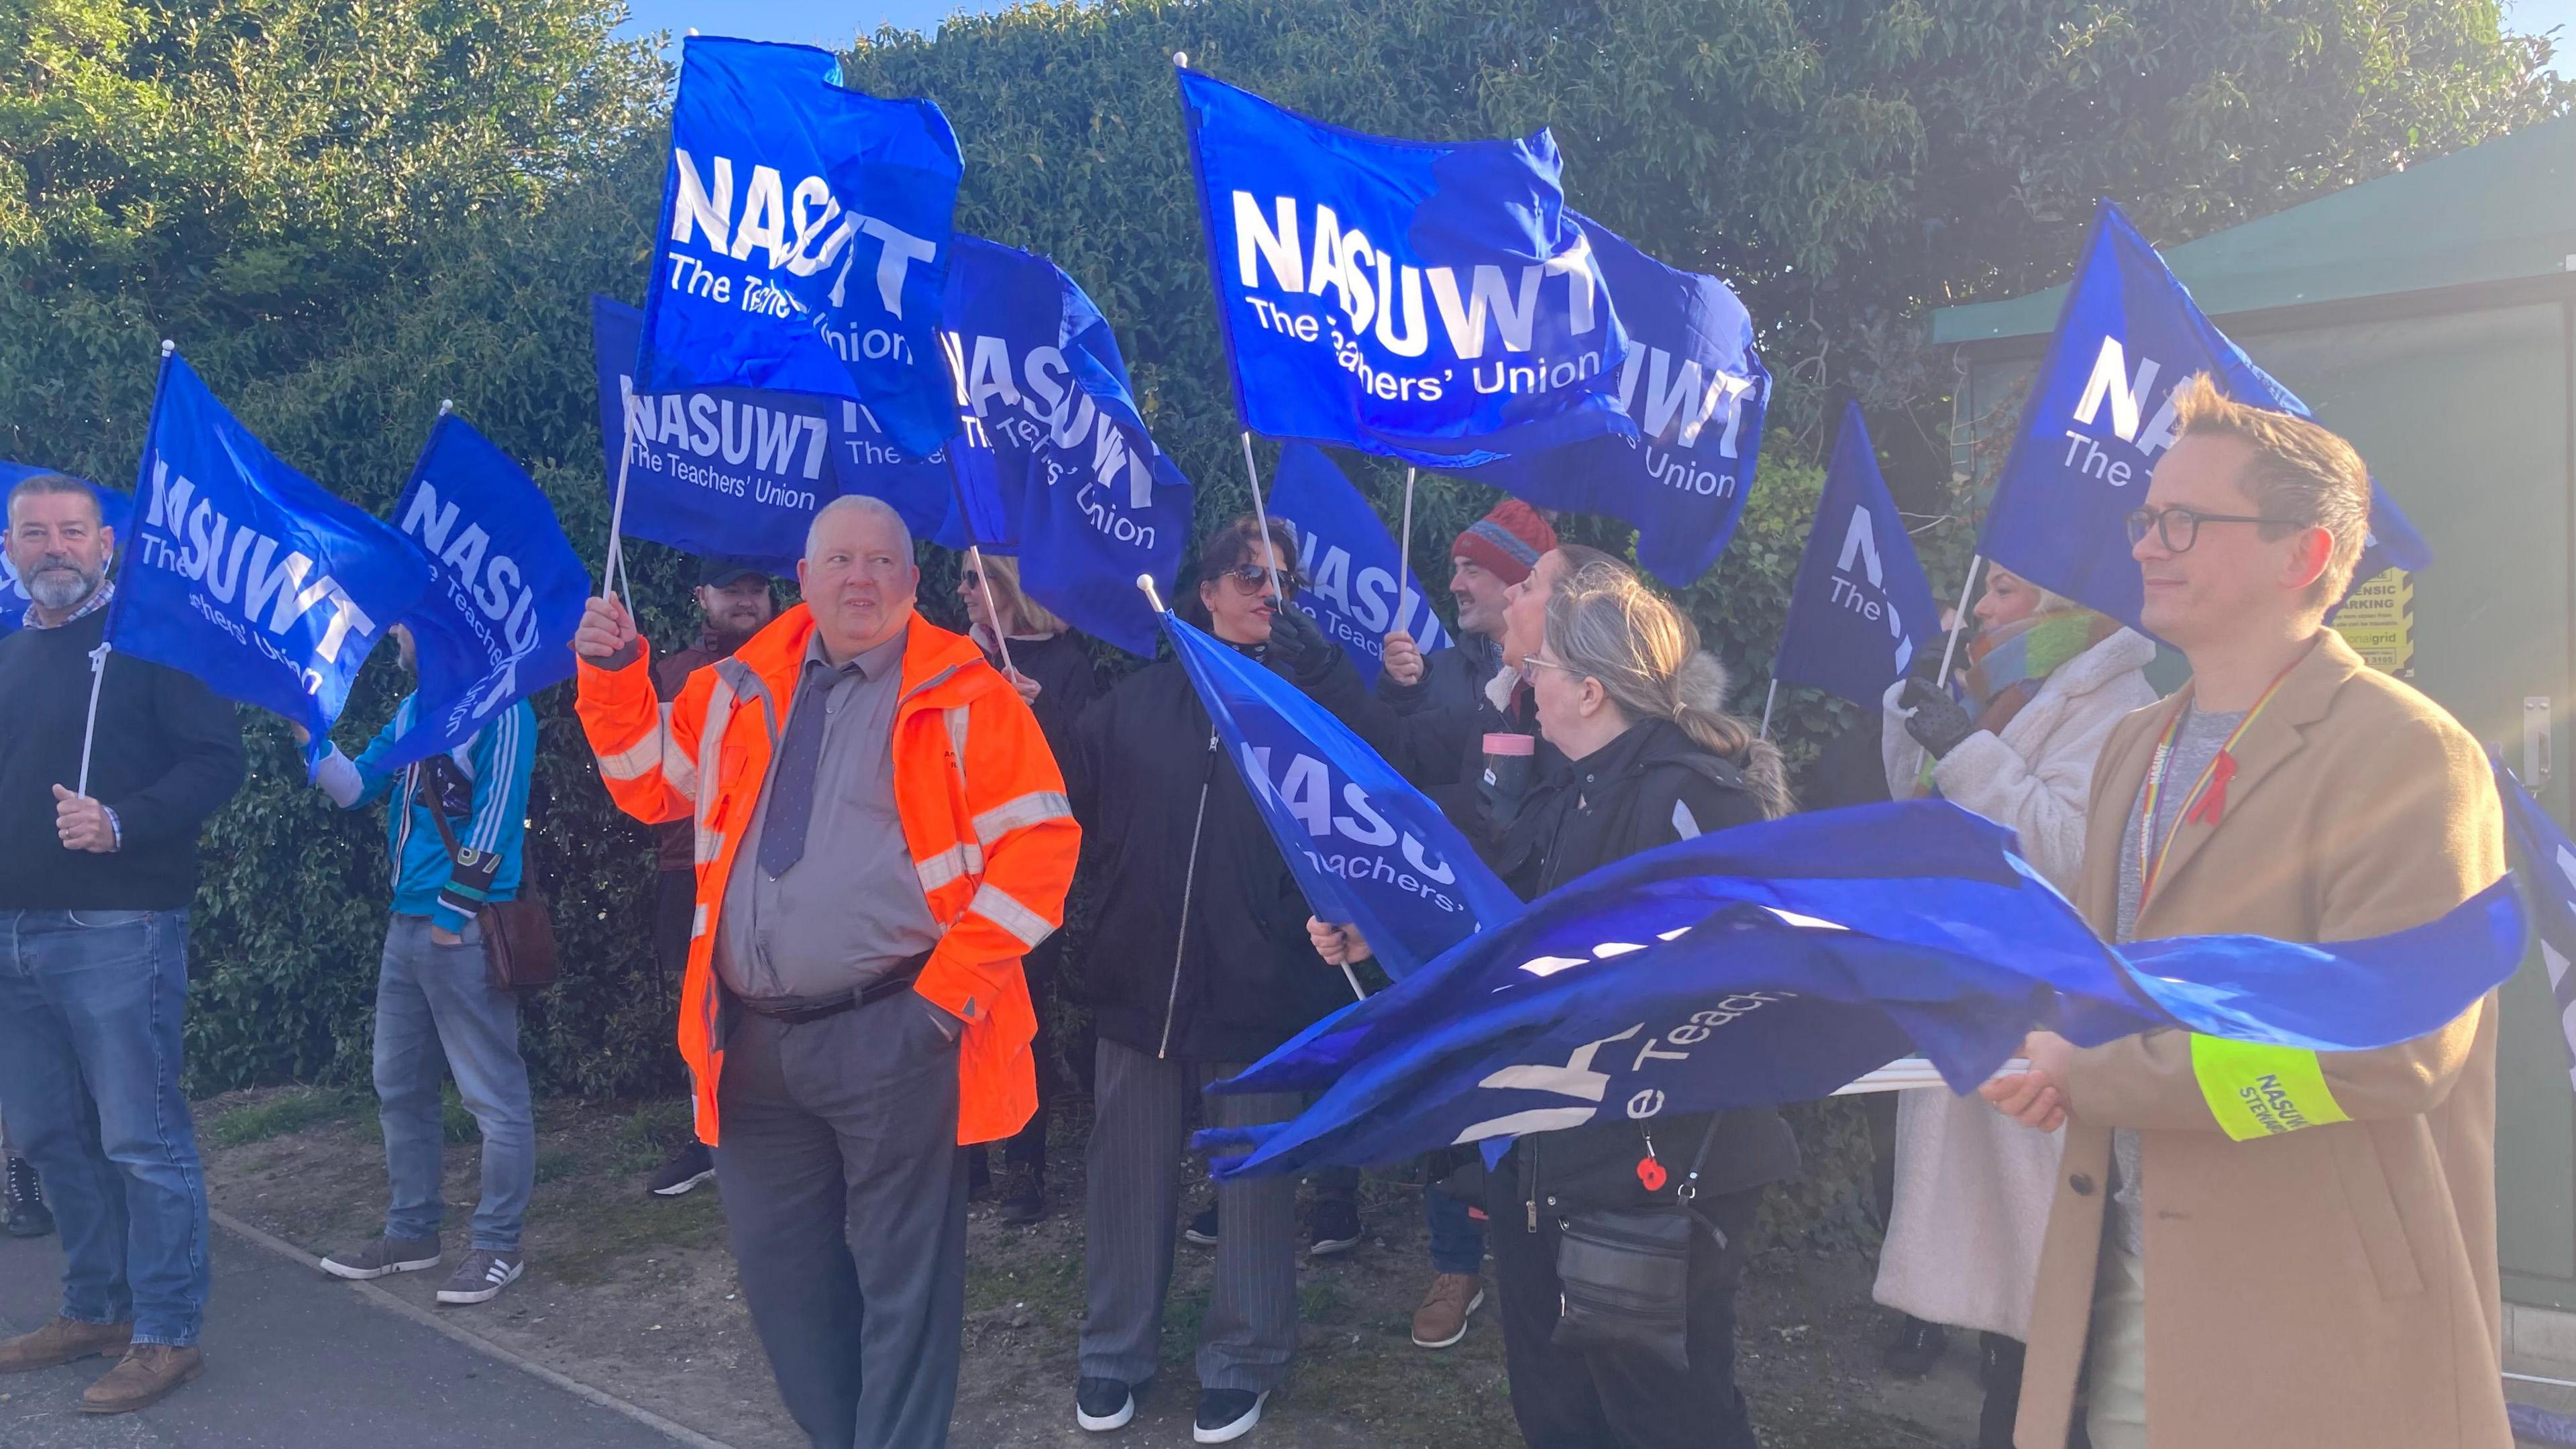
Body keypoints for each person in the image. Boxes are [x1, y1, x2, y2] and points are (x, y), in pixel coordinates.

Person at [1980, 375, 2508, 1449]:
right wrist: (2042, 1049)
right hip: (2123, 1284)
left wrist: (2097, 1074)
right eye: (2145, 517)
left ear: (2304, 555)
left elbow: (2386, 1049)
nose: (2145, 544)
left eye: (2185, 520)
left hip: (2315, 1327)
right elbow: (2104, 994)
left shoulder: (2409, 755)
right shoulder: (2136, 743)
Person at [574, 494, 1077, 1449]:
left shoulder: (967, 691)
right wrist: (611, 674)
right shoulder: (738, 685)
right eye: (839, 560)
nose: (860, 578)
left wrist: (940, 1005)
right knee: (785, 1286)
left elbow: (1043, 851)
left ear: (912, 582)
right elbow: (647, 780)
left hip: (895, 1031)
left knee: (905, 1291)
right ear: (801, 580)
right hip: (751, 1043)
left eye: (882, 562)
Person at [1313, 558, 1797, 1449]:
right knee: (1557, 1409)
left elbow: (1749, 976)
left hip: (1659, 1170)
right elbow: (1497, 935)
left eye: (1540, 672)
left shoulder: (1698, 797)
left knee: (1666, 1415)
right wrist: (1382, 943)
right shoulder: (1564, 790)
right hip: (1544, 1160)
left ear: (1589, 689)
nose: (1524, 684)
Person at [1064, 516, 1399, 1444]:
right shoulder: (1133, 705)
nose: (1266, 593)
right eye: (1248, 576)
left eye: (1283, 584)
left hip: (1263, 993)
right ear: (1204, 593)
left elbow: (1388, 801)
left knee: (1252, 1195)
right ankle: (1112, 1353)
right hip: (1139, 986)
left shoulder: (1311, 711)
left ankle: (1244, 1358)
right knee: (1125, 1185)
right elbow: (1056, 800)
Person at [1868, 568, 2155, 1443]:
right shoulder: (1996, 680)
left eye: (2004, 593)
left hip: (2050, 1028)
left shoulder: (2119, 701)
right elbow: (1913, 812)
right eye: (1984, 591)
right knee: (2004, 1309)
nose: (1981, 609)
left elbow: (2072, 853)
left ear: (2069, 601)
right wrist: (1909, 709)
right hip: (1973, 1003)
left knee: (2052, 1313)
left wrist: (1965, 749)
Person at [0, 470, 245, 1412]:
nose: (54, 547)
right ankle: (94, 1309)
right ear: (11, 549)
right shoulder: (10, 654)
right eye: (35, 533)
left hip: (117, 929)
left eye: (72, 531)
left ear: (106, 545)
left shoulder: (153, 644)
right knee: (52, 1135)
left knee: (142, 1139)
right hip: (12, 932)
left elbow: (217, 761)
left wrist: (123, 821)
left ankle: (167, 1333)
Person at [300, 624, 541, 1307]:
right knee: (397, 1085)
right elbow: (355, 789)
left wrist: (449, 915)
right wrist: (305, 736)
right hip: (408, 926)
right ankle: (412, 1234)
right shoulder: (413, 711)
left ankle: (497, 1247)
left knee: (493, 1095)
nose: (397, 634)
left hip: (457, 927)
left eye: (407, 622)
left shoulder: (504, 708)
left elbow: (498, 818)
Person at [1368, 500, 1556, 1351]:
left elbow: (1509, 815)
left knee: (1528, 1099)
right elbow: (1403, 763)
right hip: (1451, 930)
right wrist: (1383, 689)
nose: (1452, 583)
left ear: (1524, 581)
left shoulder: (1571, 687)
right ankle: (1456, 1264)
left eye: (1470, 568)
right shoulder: (1449, 671)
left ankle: (1536, 1257)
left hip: (1528, 937)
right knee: (1449, 1088)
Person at [955, 553, 1099, 1224]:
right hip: (956, 871)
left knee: (1020, 1016)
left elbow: (1081, 782)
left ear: (1005, 587)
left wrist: (1035, 721)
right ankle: (967, 1160)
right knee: (958, 1010)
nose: (961, 592)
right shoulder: (956, 662)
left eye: (971, 579)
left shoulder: (1068, 668)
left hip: (1028, 876)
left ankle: (1025, 1166)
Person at [642, 557, 778, 1199]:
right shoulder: (675, 674)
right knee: (700, 1008)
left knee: (775, 1004)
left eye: (755, 586)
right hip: (688, 866)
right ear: (702, 595)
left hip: (777, 869)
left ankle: (769, 1140)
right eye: (732, 588)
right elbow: (655, 783)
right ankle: (707, 1138)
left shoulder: (808, 664)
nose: (746, 600)